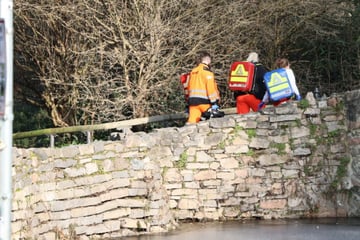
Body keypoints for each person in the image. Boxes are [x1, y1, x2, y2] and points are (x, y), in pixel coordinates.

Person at [187, 51, 221, 124]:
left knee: (191, 124)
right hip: (204, 103)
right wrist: (214, 102)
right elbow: (210, 89)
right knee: (214, 121)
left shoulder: (193, 72)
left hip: (193, 102)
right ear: (208, 60)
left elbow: (189, 86)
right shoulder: (207, 73)